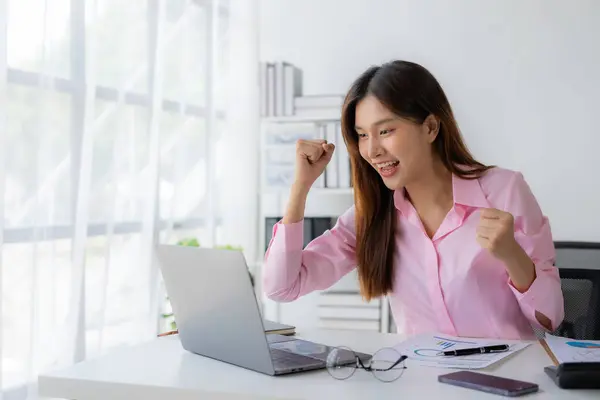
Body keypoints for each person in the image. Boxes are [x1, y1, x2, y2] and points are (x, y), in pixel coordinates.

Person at [262, 60, 564, 340]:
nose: (372, 150)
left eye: (385, 130)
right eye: (362, 135)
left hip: (507, 382)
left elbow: (549, 319)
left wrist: (512, 254)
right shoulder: (372, 215)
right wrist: (300, 187)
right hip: (420, 381)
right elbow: (282, 287)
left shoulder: (503, 191)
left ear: (431, 127)